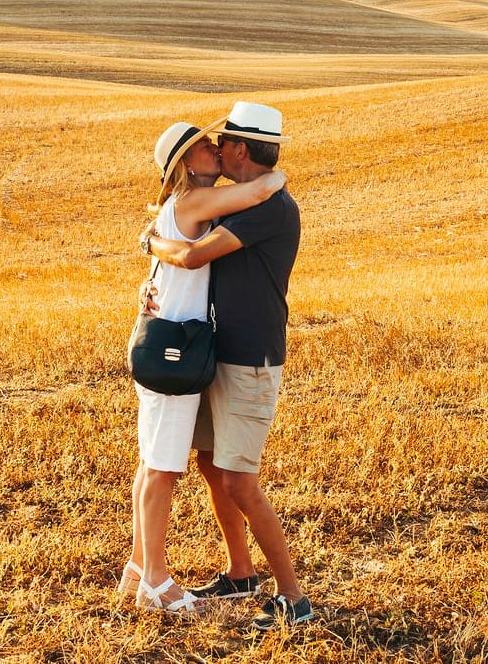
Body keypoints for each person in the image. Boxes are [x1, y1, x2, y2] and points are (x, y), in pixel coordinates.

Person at [142, 101, 312, 631]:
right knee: (214, 468)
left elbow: (193, 257)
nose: (218, 149)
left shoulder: (267, 206)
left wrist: (151, 241)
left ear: (240, 149)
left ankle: (294, 598)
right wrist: (152, 282)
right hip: (218, 352)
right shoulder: (230, 201)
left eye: (224, 143)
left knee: (239, 480)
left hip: (250, 360)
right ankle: (241, 574)